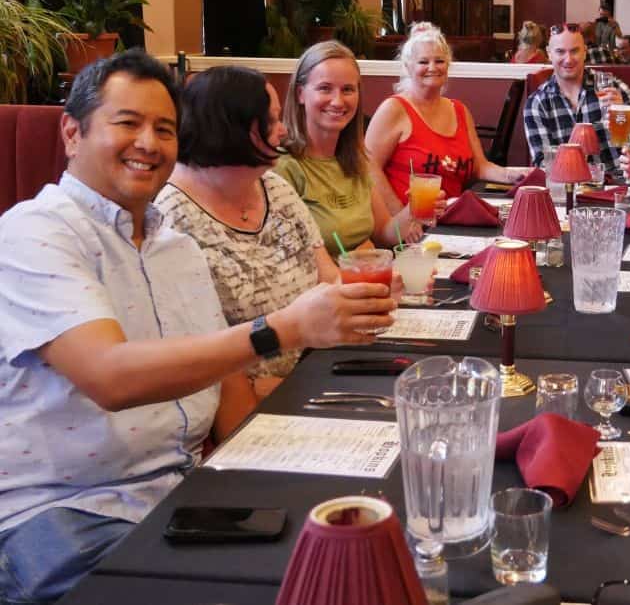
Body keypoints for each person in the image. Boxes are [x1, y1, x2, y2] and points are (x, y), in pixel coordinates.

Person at [0, 51, 396, 603]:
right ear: (72, 131)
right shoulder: (32, 235)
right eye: (127, 123)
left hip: (185, 496)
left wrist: (310, 461)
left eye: (164, 128)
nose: (148, 143)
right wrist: (282, 329)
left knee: (355, 550)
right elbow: (110, 377)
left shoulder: (175, 249)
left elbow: (228, 384)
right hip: (65, 515)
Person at [156, 66, 355, 402]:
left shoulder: (274, 187)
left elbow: (328, 275)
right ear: (235, 128)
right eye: (273, 120)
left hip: (323, 368)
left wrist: (364, 293)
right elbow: (196, 360)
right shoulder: (170, 219)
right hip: (255, 401)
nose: (283, 132)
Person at [276, 40, 421, 252]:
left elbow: (384, 233)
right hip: (334, 283)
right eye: (325, 88)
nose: (337, 101)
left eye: (347, 90)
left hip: (371, 277)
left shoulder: (355, 160)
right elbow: (287, 260)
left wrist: (414, 209)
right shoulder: (284, 167)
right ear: (300, 94)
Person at [366, 23, 526, 210]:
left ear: (448, 65)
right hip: (409, 224)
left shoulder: (460, 110)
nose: (432, 67)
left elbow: (480, 166)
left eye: (439, 61)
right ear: (408, 67)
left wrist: (514, 174)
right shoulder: (394, 109)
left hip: (451, 220)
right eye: (423, 62)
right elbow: (368, 167)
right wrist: (399, 218)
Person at [523, 23, 630, 172]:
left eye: (574, 51)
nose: (568, 59)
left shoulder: (610, 86)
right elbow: (544, 163)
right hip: (567, 187)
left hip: (617, 183)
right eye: (560, 52)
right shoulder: (537, 103)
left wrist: (623, 112)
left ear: (584, 52)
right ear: (549, 54)